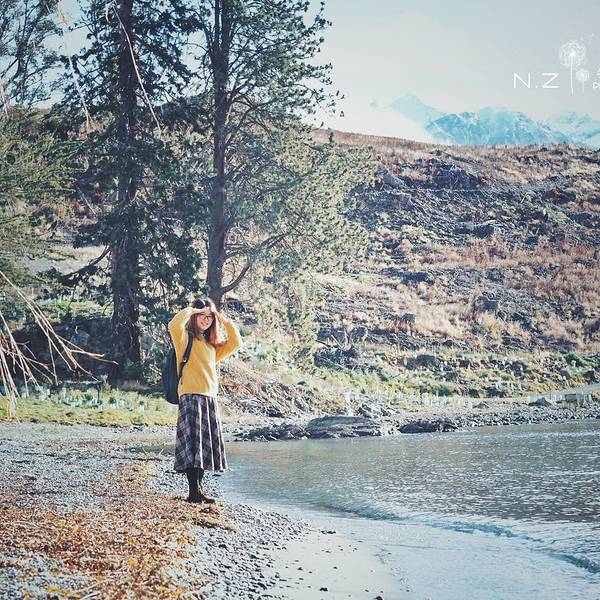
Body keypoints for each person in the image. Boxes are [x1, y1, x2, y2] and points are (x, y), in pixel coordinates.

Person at [168, 297, 242, 503]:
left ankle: (199, 490)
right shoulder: (184, 339)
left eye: (209, 317)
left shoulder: (212, 345)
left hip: (209, 399)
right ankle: (193, 492)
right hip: (191, 397)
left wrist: (223, 319)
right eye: (202, 315)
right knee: (192, 446)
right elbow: (174, 324)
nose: (206, 319)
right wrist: (194, 309)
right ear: (194, 316)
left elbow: (236, 343)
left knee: (202, 448)